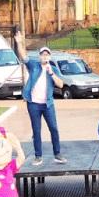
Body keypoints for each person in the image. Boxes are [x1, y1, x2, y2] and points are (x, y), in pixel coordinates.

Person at [14, 31, 65, 165]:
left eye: (47, 54)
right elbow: (24, 56)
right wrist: (19, 42)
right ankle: (38, 156)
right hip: (34, 104)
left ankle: (57, 154)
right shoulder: (34, 66)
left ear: (50, 56)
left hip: (48, 104)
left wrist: (51, 72)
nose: (45, 56)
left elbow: (60, 84)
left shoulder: (52, 68)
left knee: (53, 128)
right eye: (43, 54)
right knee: (36, 130)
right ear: (39, 56)